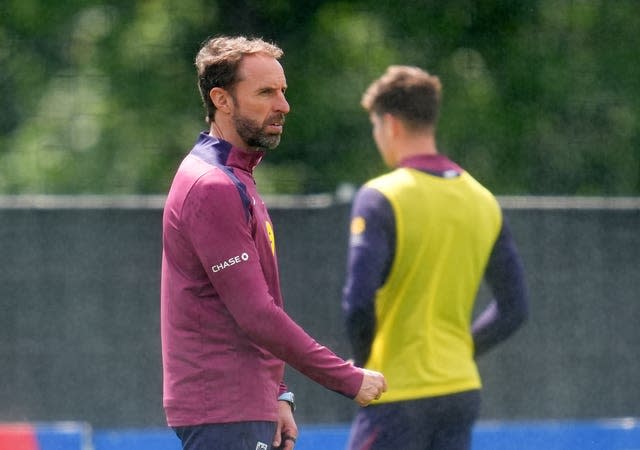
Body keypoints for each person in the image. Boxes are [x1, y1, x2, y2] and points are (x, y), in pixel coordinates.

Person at [160, 36, 387, 450]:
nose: (283, 105)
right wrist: (346, 377)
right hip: (224, 411)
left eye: (283, 91)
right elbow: (256, 314)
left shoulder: (234, 176)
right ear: (221, 99)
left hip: (242, 406)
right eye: (266, 92)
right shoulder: (213, 185)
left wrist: (277, 392)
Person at [342, 65, 528, 450]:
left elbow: (358, 303)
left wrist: (363, 370)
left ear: (390, 124)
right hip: (459, 391)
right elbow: (514, 308)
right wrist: (459, 351)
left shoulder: (381, 197)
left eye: (375, 128)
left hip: (396, 392)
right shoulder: (483, 200)